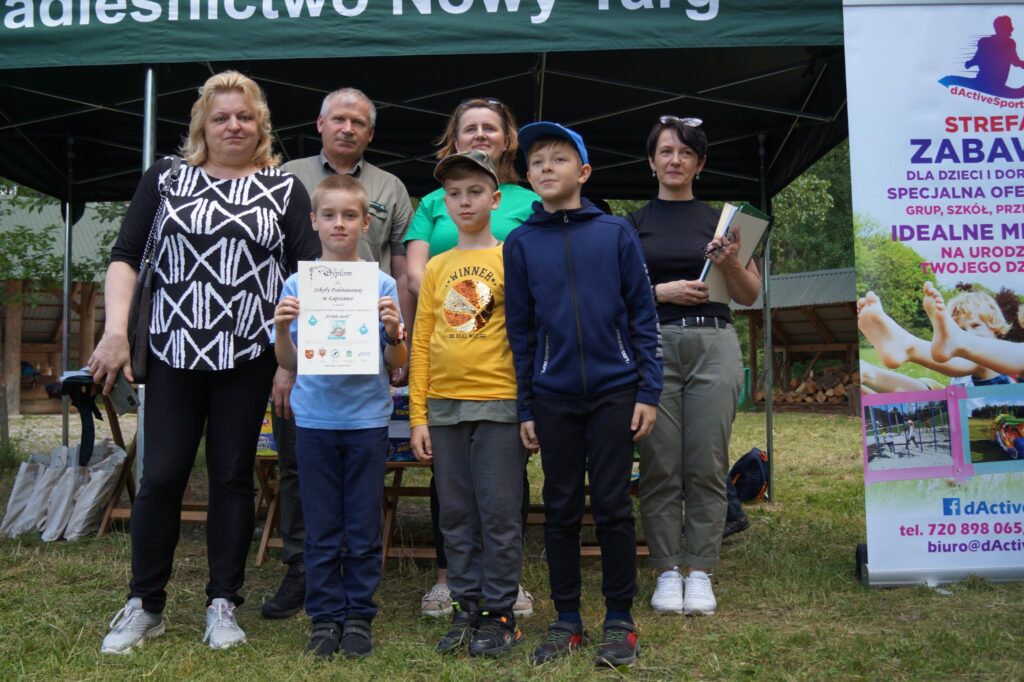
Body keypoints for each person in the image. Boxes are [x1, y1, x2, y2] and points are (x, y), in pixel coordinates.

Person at [91, 71, 320, 654]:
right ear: (202, 126)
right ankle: (145, 604)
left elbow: (308, 275)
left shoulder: (284, 190)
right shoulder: (166, 180)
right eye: (221, 117)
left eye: (244, 117)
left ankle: (223, 601)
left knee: (232, 477)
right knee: (161, 476)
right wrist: (116, 333)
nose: (233, 126)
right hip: (172, 352)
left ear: (261, 125)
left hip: (250, 356)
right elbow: (125, 258)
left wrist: (290, 360)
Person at [504, 122, 662, 667]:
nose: (547, 167)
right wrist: (527, 405)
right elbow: (520, 333)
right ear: (527, 178)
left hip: (617, 391)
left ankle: (620, 618)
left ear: (584, 172)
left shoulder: (616, 232)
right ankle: (566, 618)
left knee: (614, 505)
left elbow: (643, 313)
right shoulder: (520, 242)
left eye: (559, 159)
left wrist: (649, 388)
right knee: (562, 507)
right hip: (553, 398)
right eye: (537, 162)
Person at [262, 87, 415, 620]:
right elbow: (288, 349)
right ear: (320, 124)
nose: (340, 224)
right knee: (306, 488)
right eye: (338, 119)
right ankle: (310, 588)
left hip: (366, 392)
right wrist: (284, 356)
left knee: (359, 510)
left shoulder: (390, 191)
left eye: (359, 121)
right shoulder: (285, 176)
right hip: (314, 391)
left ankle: (356, 607)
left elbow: (400, 269)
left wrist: (399, 337)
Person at [404, 97, 538, 619]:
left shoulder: (513, 259)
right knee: (455, 512)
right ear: (443, 199)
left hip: (500, 402)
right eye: (454, 193)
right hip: (443, 407)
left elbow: (526, 337)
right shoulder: (435, 267)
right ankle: (464, 606)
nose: (463, 202)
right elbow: (420, 341)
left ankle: (500, 609)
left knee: (501, 512)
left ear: (496, 198)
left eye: (474, 192)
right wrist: (418, 413)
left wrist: (529, 406)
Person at [629, 116, 761, 618]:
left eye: (685, 153)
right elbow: (616, 295)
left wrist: (728, 262)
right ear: (651, 162)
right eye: (665, 152)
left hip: (714, 341)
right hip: (653, 344)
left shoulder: (726, 224)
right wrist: (661, 291)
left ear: (699, 164)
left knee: (706, 462)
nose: (675, 161)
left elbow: (749, 295)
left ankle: (700, 571)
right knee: (661, 465)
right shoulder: (631, 225)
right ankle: (666, 570)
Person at [273, 174, 407, 659]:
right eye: (329, 215)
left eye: (350, 215)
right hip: (314, 421)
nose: (339, 224)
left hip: (368, 420)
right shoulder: (297, 283)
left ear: (366, 223)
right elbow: (288, 363)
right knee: (323, 525)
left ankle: (358, 617)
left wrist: (394, 332)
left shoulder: (383, 284)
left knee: (363, 524)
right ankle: (325, 618)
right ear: (313, 221)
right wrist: (283, 327)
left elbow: (397, 367)